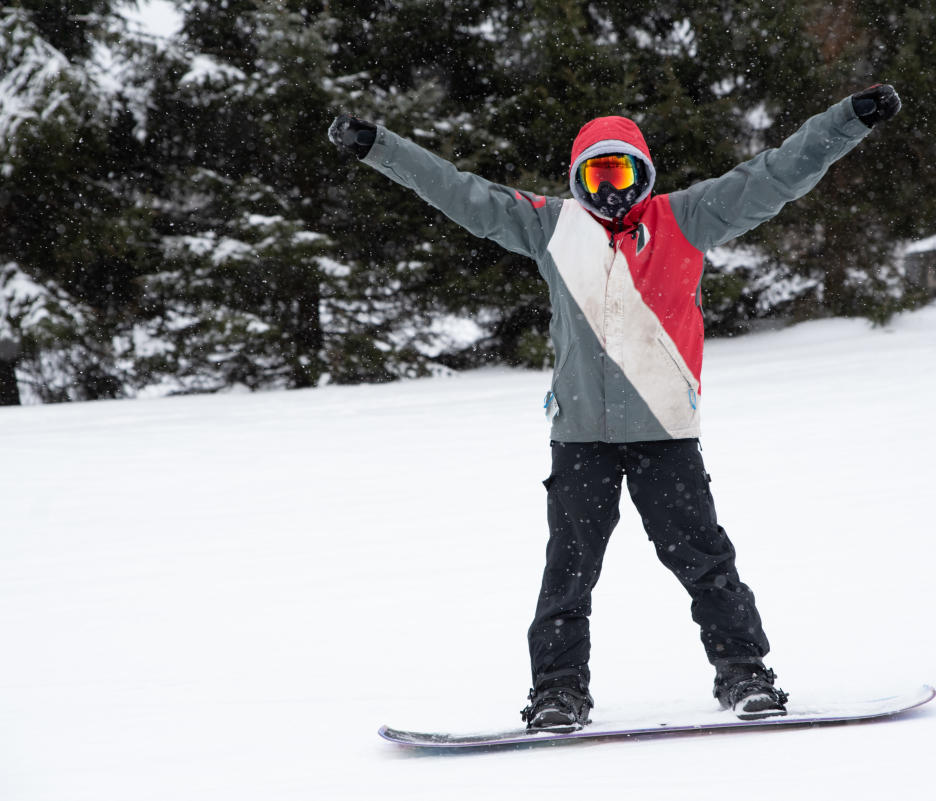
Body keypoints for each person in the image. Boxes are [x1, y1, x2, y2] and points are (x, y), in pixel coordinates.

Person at [329, 84, 902, 730]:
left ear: (643, 174)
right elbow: (459, 192)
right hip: (579, 438)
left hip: (665, 432)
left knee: (706, 562)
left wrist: (847, 119)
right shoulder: (549, 227)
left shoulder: (688, 218)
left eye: (620, 172)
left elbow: (777, 173)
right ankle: (558, 690)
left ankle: (744, 673)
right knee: (566, 574)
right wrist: (381, 148)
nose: (609, 189)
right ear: (578, 179)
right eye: (595, 175)